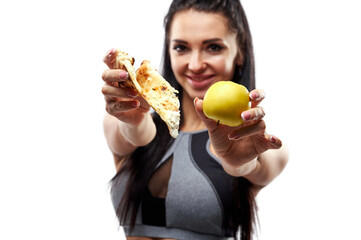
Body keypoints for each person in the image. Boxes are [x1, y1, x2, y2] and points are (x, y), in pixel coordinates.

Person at [101, 0, 288, 239]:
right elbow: (135, 134)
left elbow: (256, 164)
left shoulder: (259, 144)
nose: (196, 65)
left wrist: (239, 162)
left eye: (213, 47)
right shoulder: (124, 121)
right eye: (181, 48)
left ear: (239, 52)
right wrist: (133, 119)